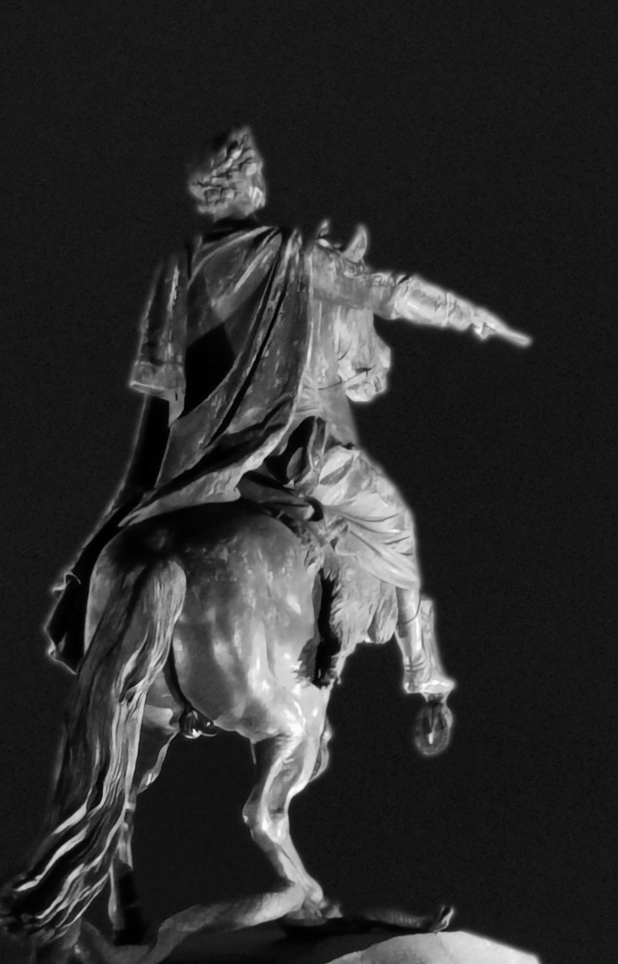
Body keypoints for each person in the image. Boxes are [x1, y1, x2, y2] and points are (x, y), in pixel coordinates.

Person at [46, 128, 528, 698]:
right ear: (244, 181)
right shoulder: (290, 253)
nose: (262, 180)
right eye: (256, 171)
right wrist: (469, 315)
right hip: (286, 452)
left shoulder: (180, 267)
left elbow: (163, 388)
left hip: (197, 464)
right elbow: (385, 291)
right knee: (396, 523)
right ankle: (420, 665)